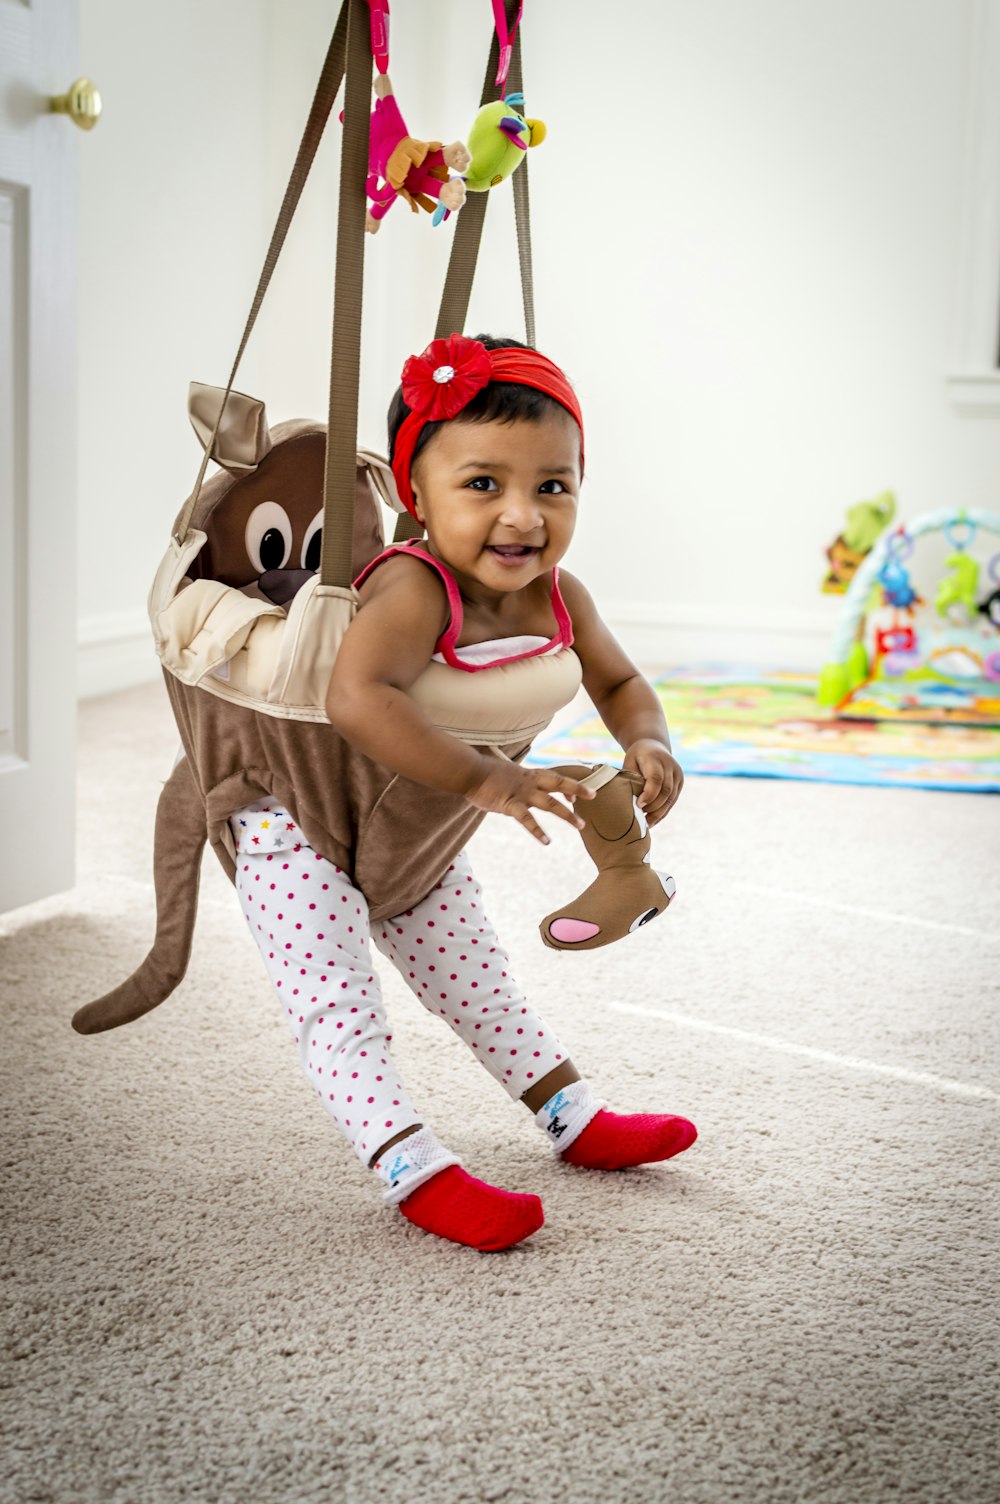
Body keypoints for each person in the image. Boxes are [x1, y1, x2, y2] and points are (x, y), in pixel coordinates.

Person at [227, 333, 696, 1253]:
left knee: (481, 985)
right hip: (303, 821)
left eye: (552, 486)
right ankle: (413, 1167)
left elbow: (618, 681)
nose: (522, 516)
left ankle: (573, 1114)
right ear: (415, 496)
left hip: (417, 829)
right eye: (483, 485)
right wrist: (489, 775)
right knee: (339, 1005)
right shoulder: (412, 587)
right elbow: (354, 698)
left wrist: (646, 737)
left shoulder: (561, 595)